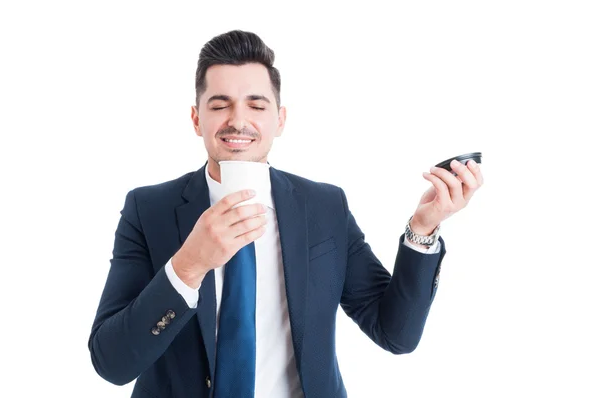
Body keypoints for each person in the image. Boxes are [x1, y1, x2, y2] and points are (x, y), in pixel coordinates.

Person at [88, 30, 484, 398]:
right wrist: (189, 266)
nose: (238, 120)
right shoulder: (148, 209)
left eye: (256, 105)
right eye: (220, 104)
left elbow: (395, 333)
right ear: (197, 119)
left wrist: (423, 229)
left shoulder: (325, 207)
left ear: (279, 120)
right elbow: (112, 362)